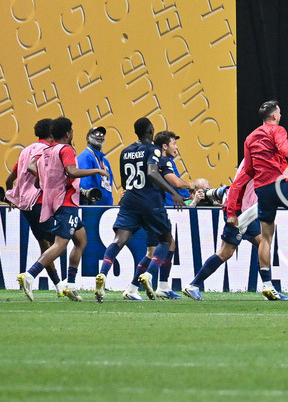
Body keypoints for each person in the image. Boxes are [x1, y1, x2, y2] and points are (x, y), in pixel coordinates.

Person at [225, 100, 288, 301]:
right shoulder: (276, 130)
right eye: (279, 113)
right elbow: (283, 146)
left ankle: (267, 285)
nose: (280, 115)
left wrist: (232, 211)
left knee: (266, 237)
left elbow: (249, 168)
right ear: (274, 116)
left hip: (262, 188)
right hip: (280, 183)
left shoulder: (250, 137)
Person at [93, 117, 186, 303]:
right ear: (151, 131)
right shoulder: (154, 150)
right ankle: (149, 276)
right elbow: (152, 172)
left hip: (130, 200)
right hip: (150, 201)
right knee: (166, 241)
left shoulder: (125, 151)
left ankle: (103, 273)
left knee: (120, 239)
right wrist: (173, 192)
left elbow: (125, 181)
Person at [17, 117, 109, 302]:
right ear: (68, 133)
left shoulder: (47, 151)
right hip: (66, 203)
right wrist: (97, 171)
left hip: (57, 203)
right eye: (72, 130)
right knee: (61, 244)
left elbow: (36, 178)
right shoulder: (66, 149)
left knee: (81, 240)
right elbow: (72, 171)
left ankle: (71, 284)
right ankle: (30, 275)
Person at [182, 160, 261, 300]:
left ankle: (269, 287)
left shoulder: (255, 160)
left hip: (245, 210)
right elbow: (235, 187)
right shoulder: (254, 162)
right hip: (240, 211)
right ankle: (194, 285)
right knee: (226, 252)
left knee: (263, 245)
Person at [4, 118, 65, 296]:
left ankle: (59, 286)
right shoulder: (48, 150)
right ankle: (31, 275)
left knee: (45, 247)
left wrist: (11, 196)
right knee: (61, 242)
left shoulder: (25, 151)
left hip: (26, 206)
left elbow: (10, 180)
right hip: (40, 202)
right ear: (52, 134)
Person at [75, 126, 115, 205]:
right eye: (95, 133)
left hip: (106, 208)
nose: (99, 136)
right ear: (88, 138)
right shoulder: (85, 156)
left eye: (102, 134)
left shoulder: (105, 161)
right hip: (92, 208)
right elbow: (84, 184)